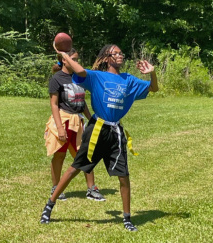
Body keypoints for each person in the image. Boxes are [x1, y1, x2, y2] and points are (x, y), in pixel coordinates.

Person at [41, 44, 158, 231]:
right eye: (116, 53)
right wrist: (63, 54)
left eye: (122, 53)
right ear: (106, 58)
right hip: (97, 130)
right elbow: (78, 70)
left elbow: (153, 88)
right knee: (75, 169)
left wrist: (151, 72)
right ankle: (49, 206)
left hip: (116, 133)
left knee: (123, 176)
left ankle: (127, 218)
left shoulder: (129, 80)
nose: (120, 56)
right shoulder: (96, 77)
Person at [44, 48, 105, 201]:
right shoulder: (56, 79)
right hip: (63, 120)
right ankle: (56, 188)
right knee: (60, 154)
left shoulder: (79, 77)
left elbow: (81, 101)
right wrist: (59, 128)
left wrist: (91, 118)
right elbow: (54, 104)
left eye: (77, 59)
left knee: (85, 155)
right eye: (74, 59)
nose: (77, 62)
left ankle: (91, 188)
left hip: (77, 122)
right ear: (64, 60)